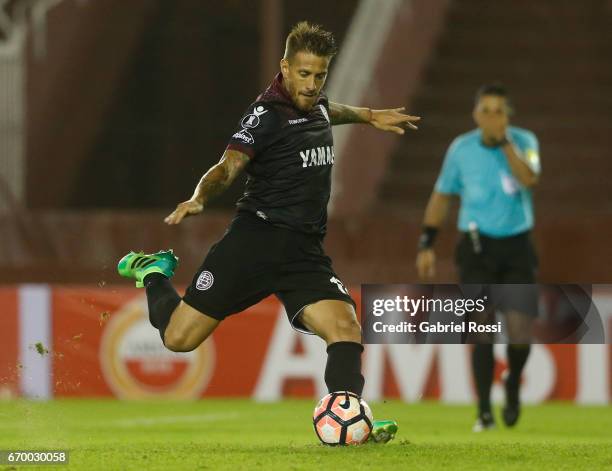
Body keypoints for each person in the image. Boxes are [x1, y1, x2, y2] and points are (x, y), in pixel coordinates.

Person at [118, 21, 419, 443]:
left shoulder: (314, 103)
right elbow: (228, 166)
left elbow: (329, 110)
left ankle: (351, 420)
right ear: (284, 67)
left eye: (320, 75)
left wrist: (369, 116)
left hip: (303, 252)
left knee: (346, 327)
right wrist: (201, 196)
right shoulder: (265, 115)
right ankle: (153, 273)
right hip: (254, 242)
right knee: (178, 338)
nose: (312, 84)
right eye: (304, 74)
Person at [416, 84, 541, 431]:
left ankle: (513, 380)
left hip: (516, 246)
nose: (491, 117)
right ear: (475, 114)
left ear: (508, 115)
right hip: (475, 248)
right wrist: (427, 242)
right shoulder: (461, 149)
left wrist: (505, 145)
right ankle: (484, 411)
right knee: (480, 328)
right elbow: (441, 196)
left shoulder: (526, 142)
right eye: (485, 110)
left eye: (499, 111)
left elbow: (529, 178)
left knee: (519, 332)